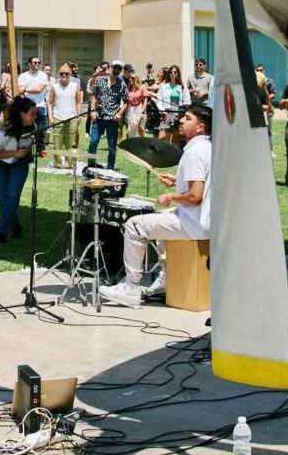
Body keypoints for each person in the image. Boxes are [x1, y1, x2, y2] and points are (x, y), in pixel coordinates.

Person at [99, 104, 213, 306]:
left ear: (200, 127)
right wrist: (177, 182)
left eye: (187, 118)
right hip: (205, 220)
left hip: (194, 224)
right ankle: (166, 278)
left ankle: (131, 287)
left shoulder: (193, 153)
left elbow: (196, 196)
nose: (181, 121)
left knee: (134, 225)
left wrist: (171, 196)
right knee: (163, 217)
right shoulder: (208, 148)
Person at [0, 96, 37, 243]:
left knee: (13, 195)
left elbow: (29, 146)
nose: (35, 117)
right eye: (32, 114)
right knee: (3, 199)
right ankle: (16, 226)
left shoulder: (32, 129)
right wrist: (14, 153)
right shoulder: (3, 131)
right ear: (22, 114)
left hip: (19, 163)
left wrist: (27, 151)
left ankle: (1, 233)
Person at [87, 60, 126, 169]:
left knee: (112, 145)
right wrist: (93, 110)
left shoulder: (121, 84)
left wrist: (119, 114)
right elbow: (94, 95)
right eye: (115, 67)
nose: (116, 70)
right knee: (93, 142)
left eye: (119, 68)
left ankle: (110, 168)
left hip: (113, 119)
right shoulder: (100, 81)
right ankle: (91, 165)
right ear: (110, 68)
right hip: (99, 116)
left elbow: (127, 101)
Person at [49, 64, 84, 169]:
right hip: (58, 116)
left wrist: (78, 114)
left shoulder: (75, 86)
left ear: (70, 74)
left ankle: (70, 163)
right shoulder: (54, 86)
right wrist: (50, 117)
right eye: (61, 73)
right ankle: (58, 164)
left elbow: (79, 101)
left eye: (66, 73)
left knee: (71, 142)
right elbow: (50, 103)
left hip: (71, 116)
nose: (64, 75)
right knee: (57, 142)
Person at [18, 56, 51, 134]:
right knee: (26, 132)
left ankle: (40, 146)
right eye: (35, 62)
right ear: (29, 64)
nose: (37, 64)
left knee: (40, 133)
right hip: (27, 106)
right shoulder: (23, 76)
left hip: (40, 106)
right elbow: (20, 90)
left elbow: (39, 89)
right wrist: (32, 88)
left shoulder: (43, 75)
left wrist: (25, 88)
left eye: (39, 63)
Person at [124, 65, 148, 137]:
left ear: (136, 79)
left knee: (140, 128)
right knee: (131, 129)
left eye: (132, 78)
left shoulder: (142, 88)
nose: (130, 80)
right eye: (130, 78)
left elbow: (145, 101)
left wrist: (142, 111)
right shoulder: (129, 88)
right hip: (131, 109)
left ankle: (143, 142)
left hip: (139, 108)